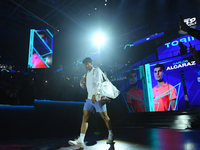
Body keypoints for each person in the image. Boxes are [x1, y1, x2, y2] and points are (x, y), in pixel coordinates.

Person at [68, 57, 114, 148]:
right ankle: (81, 140)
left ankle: (111, 134)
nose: (85, 66)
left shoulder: (96, 70)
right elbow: (84, 88)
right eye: (84, 65)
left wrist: (95, 94)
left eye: (87, 64)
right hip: (89, 99)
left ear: (91, 63)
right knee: (85, 117)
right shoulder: (86, 74)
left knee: (105, 117)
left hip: (98, 97)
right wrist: (81, 83)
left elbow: (98, 83)